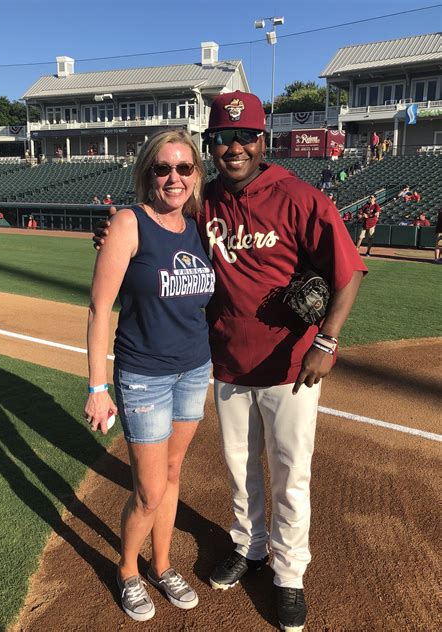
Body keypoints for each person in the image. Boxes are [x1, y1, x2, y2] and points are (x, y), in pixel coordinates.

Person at [95, 90, 366, 630]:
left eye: (245, 136)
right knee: (240, 472)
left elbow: (348, 271)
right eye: (223, 138)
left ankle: (289, 574)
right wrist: (111, 235)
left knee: (290, 474)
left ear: (263, 141)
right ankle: (250, 547)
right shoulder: (205, 202)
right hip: (222, 365)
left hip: (292, 367)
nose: (235, 147)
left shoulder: (299, 196)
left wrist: (327, 340)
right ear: (211, 147)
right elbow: (154, 232)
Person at [85, 129, 215, 622]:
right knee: (149, 490)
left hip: (193, 369)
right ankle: (127, 571)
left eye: (184, 168)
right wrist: (98, 387)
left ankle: (161, 566)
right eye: (163, 168)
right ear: (147, 173)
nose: (174, 177)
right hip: (144, 375)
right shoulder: (129, 222)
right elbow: (100, 309)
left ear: (196, 175)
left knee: (174, 473)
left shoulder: (201, 227)